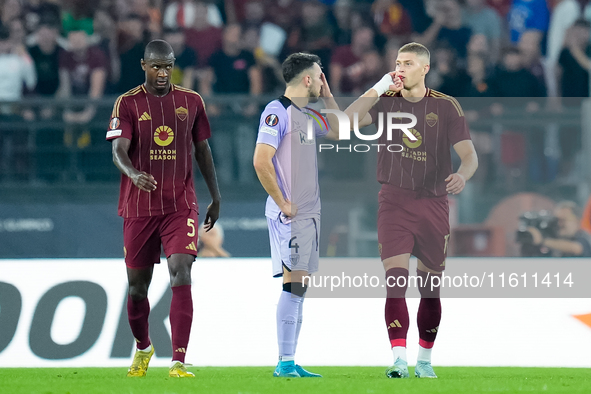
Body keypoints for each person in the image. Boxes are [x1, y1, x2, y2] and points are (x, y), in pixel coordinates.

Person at [343, 42, 478, 378]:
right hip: (394, 201)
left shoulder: (446, 107)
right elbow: (346, 122)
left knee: (430, 288)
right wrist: (377, 87)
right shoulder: (386, 101)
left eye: (407, 63)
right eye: (397, 63)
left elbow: (470, 155)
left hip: (433, 204)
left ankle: (425, 361)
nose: (400, 69)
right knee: (396, 281)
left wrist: (462, 175)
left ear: (425, 68)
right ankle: (399, 359)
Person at [106, 39, 221, 378]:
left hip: (179, 204)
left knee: (182, 272)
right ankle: (143, 346)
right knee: (137, 288)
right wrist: (133, 174)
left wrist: (215, 196)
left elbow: (203, 151)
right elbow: (118, 152)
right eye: (156, 66)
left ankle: (178, 361)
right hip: (139, 206)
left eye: (168, 66)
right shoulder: (126, 103)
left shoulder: (191, 101)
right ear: (144, 65)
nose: (162, 72)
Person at [253, 52, 339, 378]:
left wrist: (329, 96)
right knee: (293, 286)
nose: (321, 81)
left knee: (299, 287)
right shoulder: (278, 112)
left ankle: (289, 361)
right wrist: (283, 201)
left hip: (306, 216)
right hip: (290, 216)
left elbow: (339, 130)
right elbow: (261, 160)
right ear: (306, 79)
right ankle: (284, 363)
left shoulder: (306, 115)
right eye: (319, 77)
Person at [527, 201, 591, 257]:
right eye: (557, 220)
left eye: (564, 220)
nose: (559, 224)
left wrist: (542, 240)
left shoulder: (584, 237)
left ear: (577, 221)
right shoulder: (554, 237)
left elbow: (575, 248)